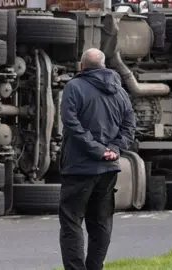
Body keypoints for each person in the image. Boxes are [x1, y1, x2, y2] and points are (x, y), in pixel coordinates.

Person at [58, 48, 136, 270]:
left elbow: (71, 124)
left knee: (72, 222)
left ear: (82, 66)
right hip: (108, 169)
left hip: (79, 168)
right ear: (103, 66)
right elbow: (130, 125)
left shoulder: (74, 87)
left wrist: (97, 149)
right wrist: (113, 148)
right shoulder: (120, 91)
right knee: (101, 223)